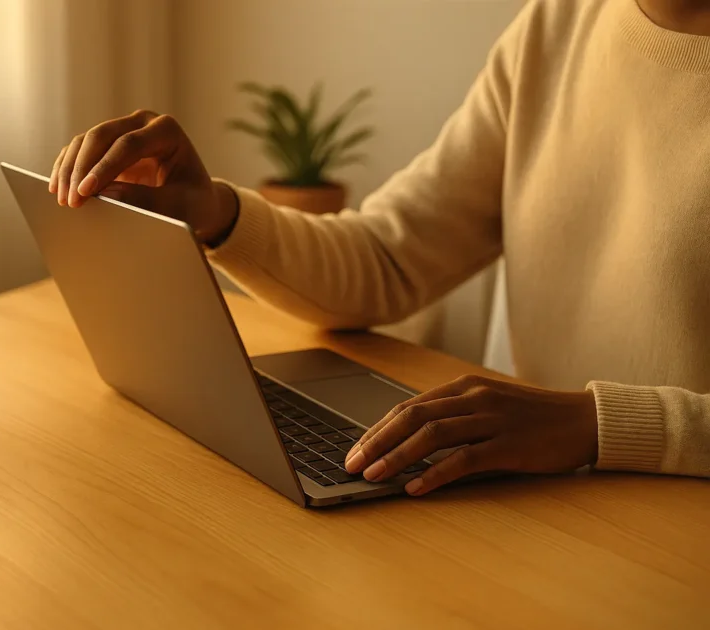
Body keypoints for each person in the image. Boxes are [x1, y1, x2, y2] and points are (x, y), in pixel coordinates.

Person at [49, 0, 710, 496]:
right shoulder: (559, 25)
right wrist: (216, 213)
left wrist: (595, 422)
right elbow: (387, 259)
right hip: (541, 513)